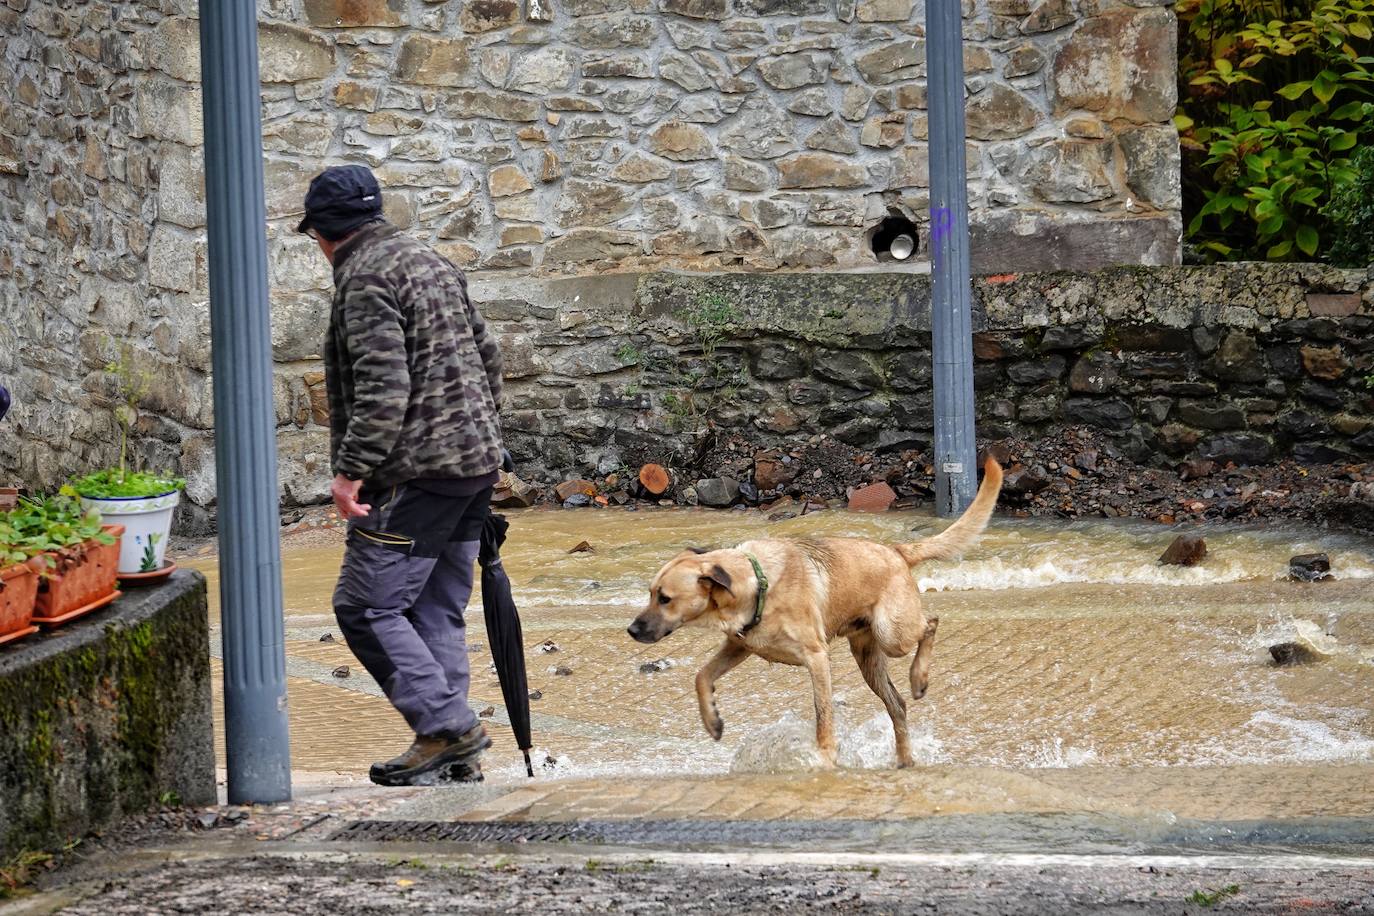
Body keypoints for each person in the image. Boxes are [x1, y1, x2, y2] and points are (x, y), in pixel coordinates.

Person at [300, 165, 505, 786]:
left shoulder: (364, 279)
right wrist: (489, 441)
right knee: (435, 608)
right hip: (474, 464)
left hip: (414, 474)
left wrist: (349, 472)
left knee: (365, 606)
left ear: (325, 234)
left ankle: (447, 727)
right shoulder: (433, 262)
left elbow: (385, 389)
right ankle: (456, 751)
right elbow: (488, 357)